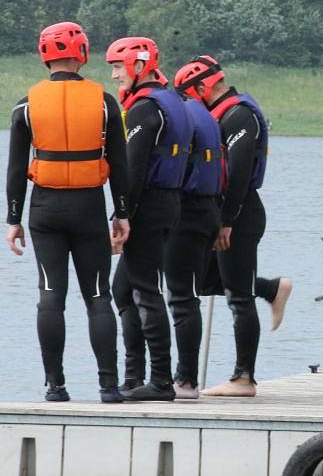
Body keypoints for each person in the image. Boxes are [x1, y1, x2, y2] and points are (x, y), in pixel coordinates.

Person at [6, 22, 130, 403]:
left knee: (50, 295)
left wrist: (13, 218)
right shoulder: (105, 101)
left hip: (44, 210)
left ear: (45, 56)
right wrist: (121, 213)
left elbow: (15, 168)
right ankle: (109, 387)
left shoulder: (26, 105)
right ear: (83, 54)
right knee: (97, 296)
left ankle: (55, 386)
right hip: (89, 207)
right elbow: (120, 164)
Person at [173, 55, 292, 397]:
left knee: (239, 297)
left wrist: (226, 221)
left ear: (202, 87)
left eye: (188, 95)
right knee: (208, 280)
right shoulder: (219, 112)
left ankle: (244, 378)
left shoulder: (239, 115)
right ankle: (270, 288)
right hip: (219, 211)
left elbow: (238, 173)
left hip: (240, 212)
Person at [106, 37, 194, 401]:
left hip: (149, 205)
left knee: (144, 288)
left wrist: (121, 214)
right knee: (122, 289)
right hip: (169, 202)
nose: (113, 75)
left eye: (117, 67)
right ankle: (133, 377)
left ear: (140, 66)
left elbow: (133, 170)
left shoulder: (144, 108)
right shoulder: (173, 100)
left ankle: (160, 382)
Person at [162, 64, 225, 399]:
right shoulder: (208, 117)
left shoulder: (185, 115)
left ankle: (185, 381)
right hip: (208, 210)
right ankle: (185, 378)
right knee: (188, 295)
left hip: (187, 213)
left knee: (182, 297)